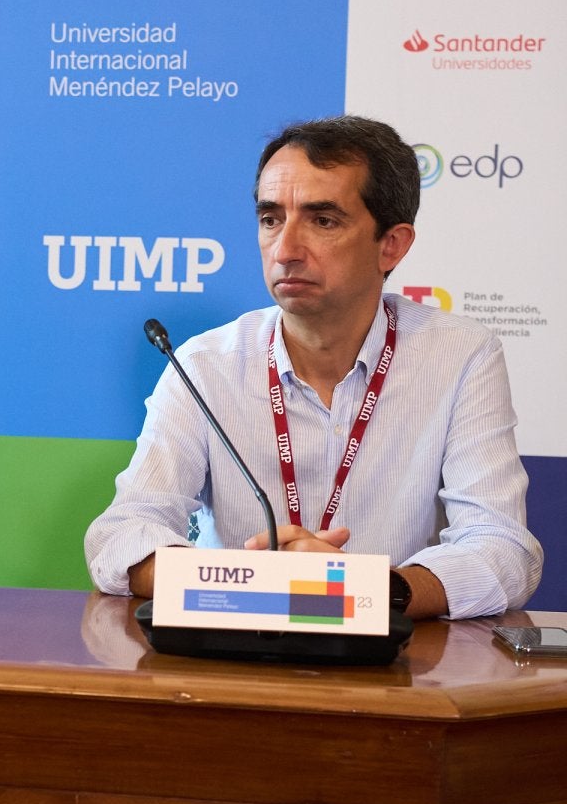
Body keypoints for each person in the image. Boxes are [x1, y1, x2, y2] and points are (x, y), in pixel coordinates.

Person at [85, 115, 541, 619]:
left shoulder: (460, 357)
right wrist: (251, 585)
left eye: (323, 220)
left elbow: (502, 550)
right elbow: (121, 536)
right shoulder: (204, 363)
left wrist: (367, 592)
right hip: (233, 648)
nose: (285, 250)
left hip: (392, 665)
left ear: (392, 244)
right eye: (270, 219)